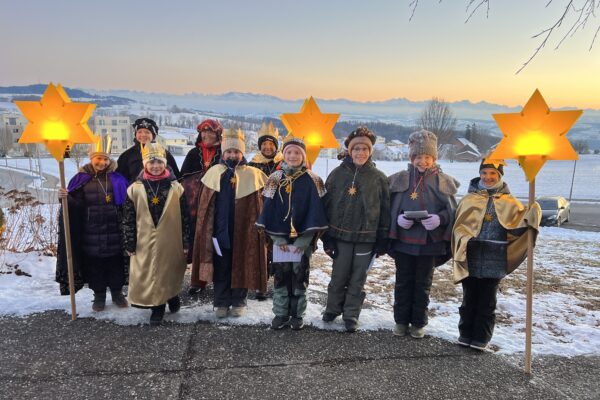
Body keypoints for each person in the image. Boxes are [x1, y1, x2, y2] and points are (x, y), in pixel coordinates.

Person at [452, 159, 541, 351]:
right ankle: (465, 333)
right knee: (469, 298)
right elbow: (457, 227)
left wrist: (531, 216)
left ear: (499, 175)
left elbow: (517, 230)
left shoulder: (510, 202)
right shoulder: (468, 199)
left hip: (495, 259)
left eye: (493, 173)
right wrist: (465, 238)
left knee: (487, 301)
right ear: (480, 174)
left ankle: (481, 337)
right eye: (484, 173)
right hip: (471, 257)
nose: (488, 177)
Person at [388, 130, 458, 339]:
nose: (423, 161)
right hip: (404, 242)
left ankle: (418, 323)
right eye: (418, 157)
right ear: (411, 158)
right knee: (403, 282)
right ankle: (401, 321)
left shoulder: (443, 181)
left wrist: (440, 219)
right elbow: (389, 207)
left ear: (434, 158)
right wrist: (397, 220)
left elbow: (452, 210)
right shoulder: (400, 179)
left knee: (423, 284)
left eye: (427, 157)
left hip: (429, 243)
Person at [192, 129, 268, 318]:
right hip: (219, 231)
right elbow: (205, 206)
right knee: (222, 266)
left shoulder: (254, 175)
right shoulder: (214, 173)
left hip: (244, 231)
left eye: (236, 152)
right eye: (229, 152)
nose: (232, 155)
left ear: (242, 153)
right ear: (223, 153)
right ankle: (221, 302)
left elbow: (262, 205)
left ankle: (239, 301)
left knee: (241, 264)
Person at [321, 126, 390, 332]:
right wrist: (327, 236)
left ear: (370, 151)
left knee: (358, 277)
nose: (360, 153)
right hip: (340, 236)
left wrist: (383, 237)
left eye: (364, 149)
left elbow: (385, 209)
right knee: (338, 275)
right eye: (356, 149)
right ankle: (332, 308)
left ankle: (351, 313)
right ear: (350, 151)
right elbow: (327, 205)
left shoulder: (378, 178)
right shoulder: (337, 174)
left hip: (366, 238)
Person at [256, 136, 328, 330]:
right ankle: (280, 313)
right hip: (280, 241)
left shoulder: (313, 180)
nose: (293, 156)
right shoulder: (274, 179)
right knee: (281, 277)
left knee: (299, 277)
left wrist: (305, 240)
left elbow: (317, 213)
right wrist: (277, 239)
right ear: (283, 155)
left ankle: (297, 314)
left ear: (303, 156)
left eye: (297, 152)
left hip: (302, 242)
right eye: (289, 152)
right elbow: (267, 211)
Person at [56, 136, 129, 311]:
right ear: (91, 158)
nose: (102, 162)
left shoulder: (118, 179)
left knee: (115, 263)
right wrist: (66, 198)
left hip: (114, 230)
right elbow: (75, 205)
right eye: (98, 158)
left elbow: (128, 203)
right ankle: (99, 296)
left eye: (105, 159)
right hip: (91, 231)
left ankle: (117, 293)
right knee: (95, 265)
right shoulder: (81, 178)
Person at [122, 141, 189, 326]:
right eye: (151, 162)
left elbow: (185, 217)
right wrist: (129, 241)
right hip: (144, 239)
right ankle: (157, 307)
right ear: (145, 165)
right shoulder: (135, 189)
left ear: (165, 164)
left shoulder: (176, 188)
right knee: (151, 272)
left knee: (169, 270)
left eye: (159, 162)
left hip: (170, 238)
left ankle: (172, 295)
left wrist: (186, 242)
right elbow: (128, 218)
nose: (155, 166)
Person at [180, 119, 223, 294]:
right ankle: (198, 281)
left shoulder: (224, 153)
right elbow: (183, 179)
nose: (206, 135)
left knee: (217, 242)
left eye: (211, 132)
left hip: (217, 205)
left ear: (217, 134)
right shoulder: (193, 154)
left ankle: (220, 280)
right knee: (198, 241)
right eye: (204, 132)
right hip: (194, 206)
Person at [248, 121, 283, 301]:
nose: (268, 147)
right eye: (264, 144)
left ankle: (279, 283)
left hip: (279, 212)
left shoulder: (283, 163)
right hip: (259, 210)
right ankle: (260, 284)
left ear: (276, 146)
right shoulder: (252, 164)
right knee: (260, 249)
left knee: (277, 248)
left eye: (271, 144)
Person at [116, 117, 180, 184]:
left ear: (153, 135)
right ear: (135, 134)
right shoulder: (127, 155)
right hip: (134, 190)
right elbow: (119, 180)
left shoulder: (164, 153)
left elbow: (176, 177)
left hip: (162, 189)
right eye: (139, 132)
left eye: (147, 132)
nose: (143, 135)